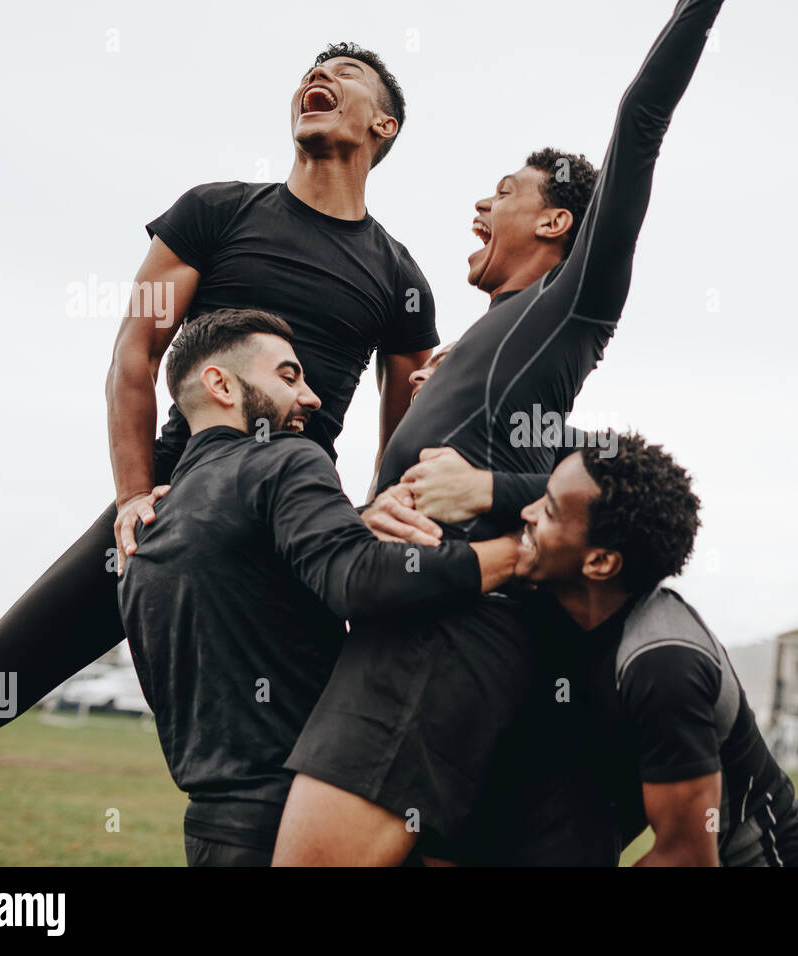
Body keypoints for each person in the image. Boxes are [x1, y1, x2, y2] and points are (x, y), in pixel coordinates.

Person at [0, 42, 435, 802]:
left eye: (345, 74)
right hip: (167, 500)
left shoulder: (400, 279)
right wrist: (132, 497)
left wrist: (360, 533)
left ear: (383, 126)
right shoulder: (213, 213)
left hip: (291, 525)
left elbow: (405, 434)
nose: (317, 78)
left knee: (336, 771)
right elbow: (135, 354)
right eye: (310, 72)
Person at [273, 0, 727, 866]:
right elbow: (556, 463)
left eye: (506, 193)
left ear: (558, 224)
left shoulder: (568, 311)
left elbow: (640, 123)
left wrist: (484, 491)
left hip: (446, 639)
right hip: (417, 623)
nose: (481, 204)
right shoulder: (487, 338)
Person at [118, 309, 518, 866]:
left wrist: (354, 518)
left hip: (212, 833)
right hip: (310, 823)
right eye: (288, 377)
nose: (310, 398)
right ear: (221, 384)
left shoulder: (148, 524)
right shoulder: (283, 459)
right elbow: (358, 580)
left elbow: (259, 585)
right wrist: (517, 555)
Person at [514, 433, 798, 867]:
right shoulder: (582, 608)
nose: (526, 511)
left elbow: (687, 858)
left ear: (599, 562)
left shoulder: (662, 664)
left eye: (549, 510)